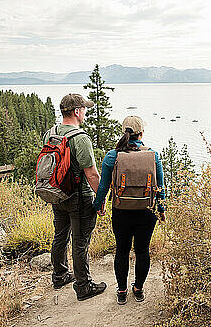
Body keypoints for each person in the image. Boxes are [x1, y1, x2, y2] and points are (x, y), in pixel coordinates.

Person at [93, 115, 166, 305]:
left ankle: (122, 290)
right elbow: (160, 187)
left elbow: (103, 186)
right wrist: (162, 209)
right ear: (142, 133)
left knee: (122, 250)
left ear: (124, 132)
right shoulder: (153, 155)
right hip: (146, 211)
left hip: (121, 210)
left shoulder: (112, 156)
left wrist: (98, 205)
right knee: (142, 251)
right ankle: (138, 289)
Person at [44, 93, 106, 301]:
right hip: (79, 198)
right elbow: (92, 174)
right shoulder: (80, 138)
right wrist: (101, 198)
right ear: (77, 111)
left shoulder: (51, 134)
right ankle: (83, 285)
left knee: (60, 235)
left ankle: (60, 275)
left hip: (57, 194)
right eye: (84, 109)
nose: (85, 112)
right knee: (80, 242)